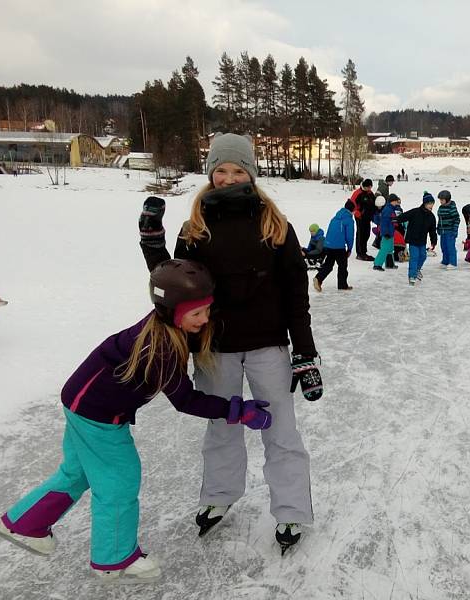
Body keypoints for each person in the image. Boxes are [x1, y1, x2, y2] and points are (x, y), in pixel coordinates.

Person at [0, 260, 273, 583]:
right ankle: (113, 560)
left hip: (81, 401)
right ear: (173, 312)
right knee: (120, 479)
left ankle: (24, 524)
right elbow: (185, 400)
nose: (204, 319)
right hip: (97, 416)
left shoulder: (163, 324)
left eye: (207, 310)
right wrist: (237, 410)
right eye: (197, 314)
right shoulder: (163, 347)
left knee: (76, 473)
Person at [138, 133, 321, 553]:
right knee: (221, 426)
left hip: (268, 347)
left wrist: (305, 352)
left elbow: (296, 292)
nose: (228, 177)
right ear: (210, 172)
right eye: (221, 169)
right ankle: (219, 497)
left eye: (238, 170)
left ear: (252, 174)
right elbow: (178, 288)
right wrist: (153, 249)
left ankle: (291, 509)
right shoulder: (195, 227)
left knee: (282, 433)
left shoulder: (275, 226)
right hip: (213, 349)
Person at [396, 192, 438, 286]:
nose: (431, 206)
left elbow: (432, 231)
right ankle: (412, 275)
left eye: (432, 204)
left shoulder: (431, 217)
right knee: (414, 257)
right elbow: (405, 216)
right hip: (413, 240)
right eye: (429, 204)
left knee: (423, 256)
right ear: (425, 203)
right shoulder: (415, 212)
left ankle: (417, 270)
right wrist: (396, 219)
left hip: (422, 241)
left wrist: (434, 241)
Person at [315, 200, 356, 290]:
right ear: (352, 210)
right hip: (339, 247)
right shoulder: (349, 220)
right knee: (342, 266)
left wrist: (327, 244)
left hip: (328, 245)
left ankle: (318, 278)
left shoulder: (335, 218)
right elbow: (350, 236)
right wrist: (349, 249)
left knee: (328, 265)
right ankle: (342, 285)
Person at [373, 194, 401, 271]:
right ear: (392, 201)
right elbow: (384, 223)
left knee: (390, 249)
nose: (396, 202)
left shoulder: (391, 209)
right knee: (384, 249)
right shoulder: (387, 210)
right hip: (387, 233)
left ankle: (390, 264)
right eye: (395, 201)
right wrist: (385, 233)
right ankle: (377, 264)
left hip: (390, 232)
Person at [351, 179, 376, 261]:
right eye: (367, 187)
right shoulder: (357, 193)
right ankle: (360, 253)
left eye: (370, 187)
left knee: (367, 234)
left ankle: (364, 252)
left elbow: (374, 203)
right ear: (364, 186)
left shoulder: (371, 193)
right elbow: (351, 204)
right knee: (360, 234)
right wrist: (356, 212)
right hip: (360, 217)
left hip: (368, 217)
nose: (369, 189)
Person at [436, 190, 460, 269]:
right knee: (444, 247)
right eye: (440, 200)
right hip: (443, 231)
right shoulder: (441, 207)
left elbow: (457, 219)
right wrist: (438, 228)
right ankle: (445, 261)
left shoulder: (452, 208)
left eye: (442, 200)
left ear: (447, 199)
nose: (440, 201)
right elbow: (440, 219)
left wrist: (455, 230)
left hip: (450, 231)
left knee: (450, 247)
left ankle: (453, 263)